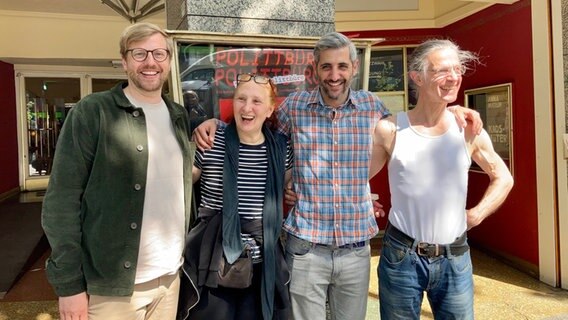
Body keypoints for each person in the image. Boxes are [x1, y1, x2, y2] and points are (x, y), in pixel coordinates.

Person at [192, 32, 483, 320]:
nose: (334, 75)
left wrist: (449, 108)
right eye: (326, 66)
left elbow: (415, 125)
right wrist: (217, 124)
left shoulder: (374, 108)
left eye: (342, 66)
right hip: (306, 247)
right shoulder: (294, 107)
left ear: (354, 69)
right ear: (314, 70)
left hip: (355, 251)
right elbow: (257, 131)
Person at [41, 22, 195, 320]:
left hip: (170, 278)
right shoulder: (92, 112)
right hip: (112, 288)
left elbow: (174, 182)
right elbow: (61, 201)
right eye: (140, 53)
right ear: (124, 61)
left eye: (159, 53)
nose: (151, 62)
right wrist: (69, 286)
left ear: (169, 61)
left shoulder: (177, 116)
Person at [371, 39, 514, 319]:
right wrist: (364, 199)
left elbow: (503, 177)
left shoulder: (468, 130)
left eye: (457, 70)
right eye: (442, 71)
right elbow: (357, 176)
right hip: (401, 257)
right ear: (417, 77)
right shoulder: (390, 129)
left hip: (455, 257)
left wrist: (475, 215)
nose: (453, 78)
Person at [177, 73, 293, 320]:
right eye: (241, 98)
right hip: (212, 264)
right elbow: (180, 181)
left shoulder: (282, 149)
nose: (247, 107)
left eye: (256, 101)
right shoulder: (210, 140)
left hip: (263, 264)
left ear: (271, 109)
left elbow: (298, 186)